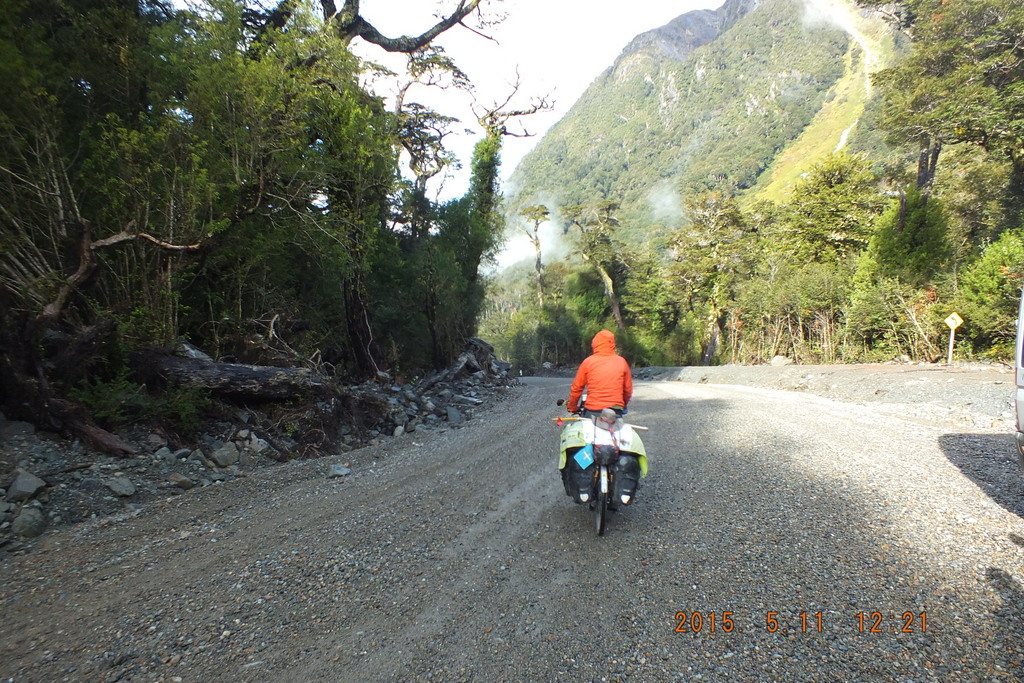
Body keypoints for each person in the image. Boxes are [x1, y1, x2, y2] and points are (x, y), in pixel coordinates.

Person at [567, 329, 632, 418]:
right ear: (612, 344)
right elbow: (628, 390)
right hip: (615, 412)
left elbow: (577, 388)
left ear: (595, 344)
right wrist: (623, 405)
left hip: (593, 411)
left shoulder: (588, 362)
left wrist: (572, 407)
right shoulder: (622, 362)